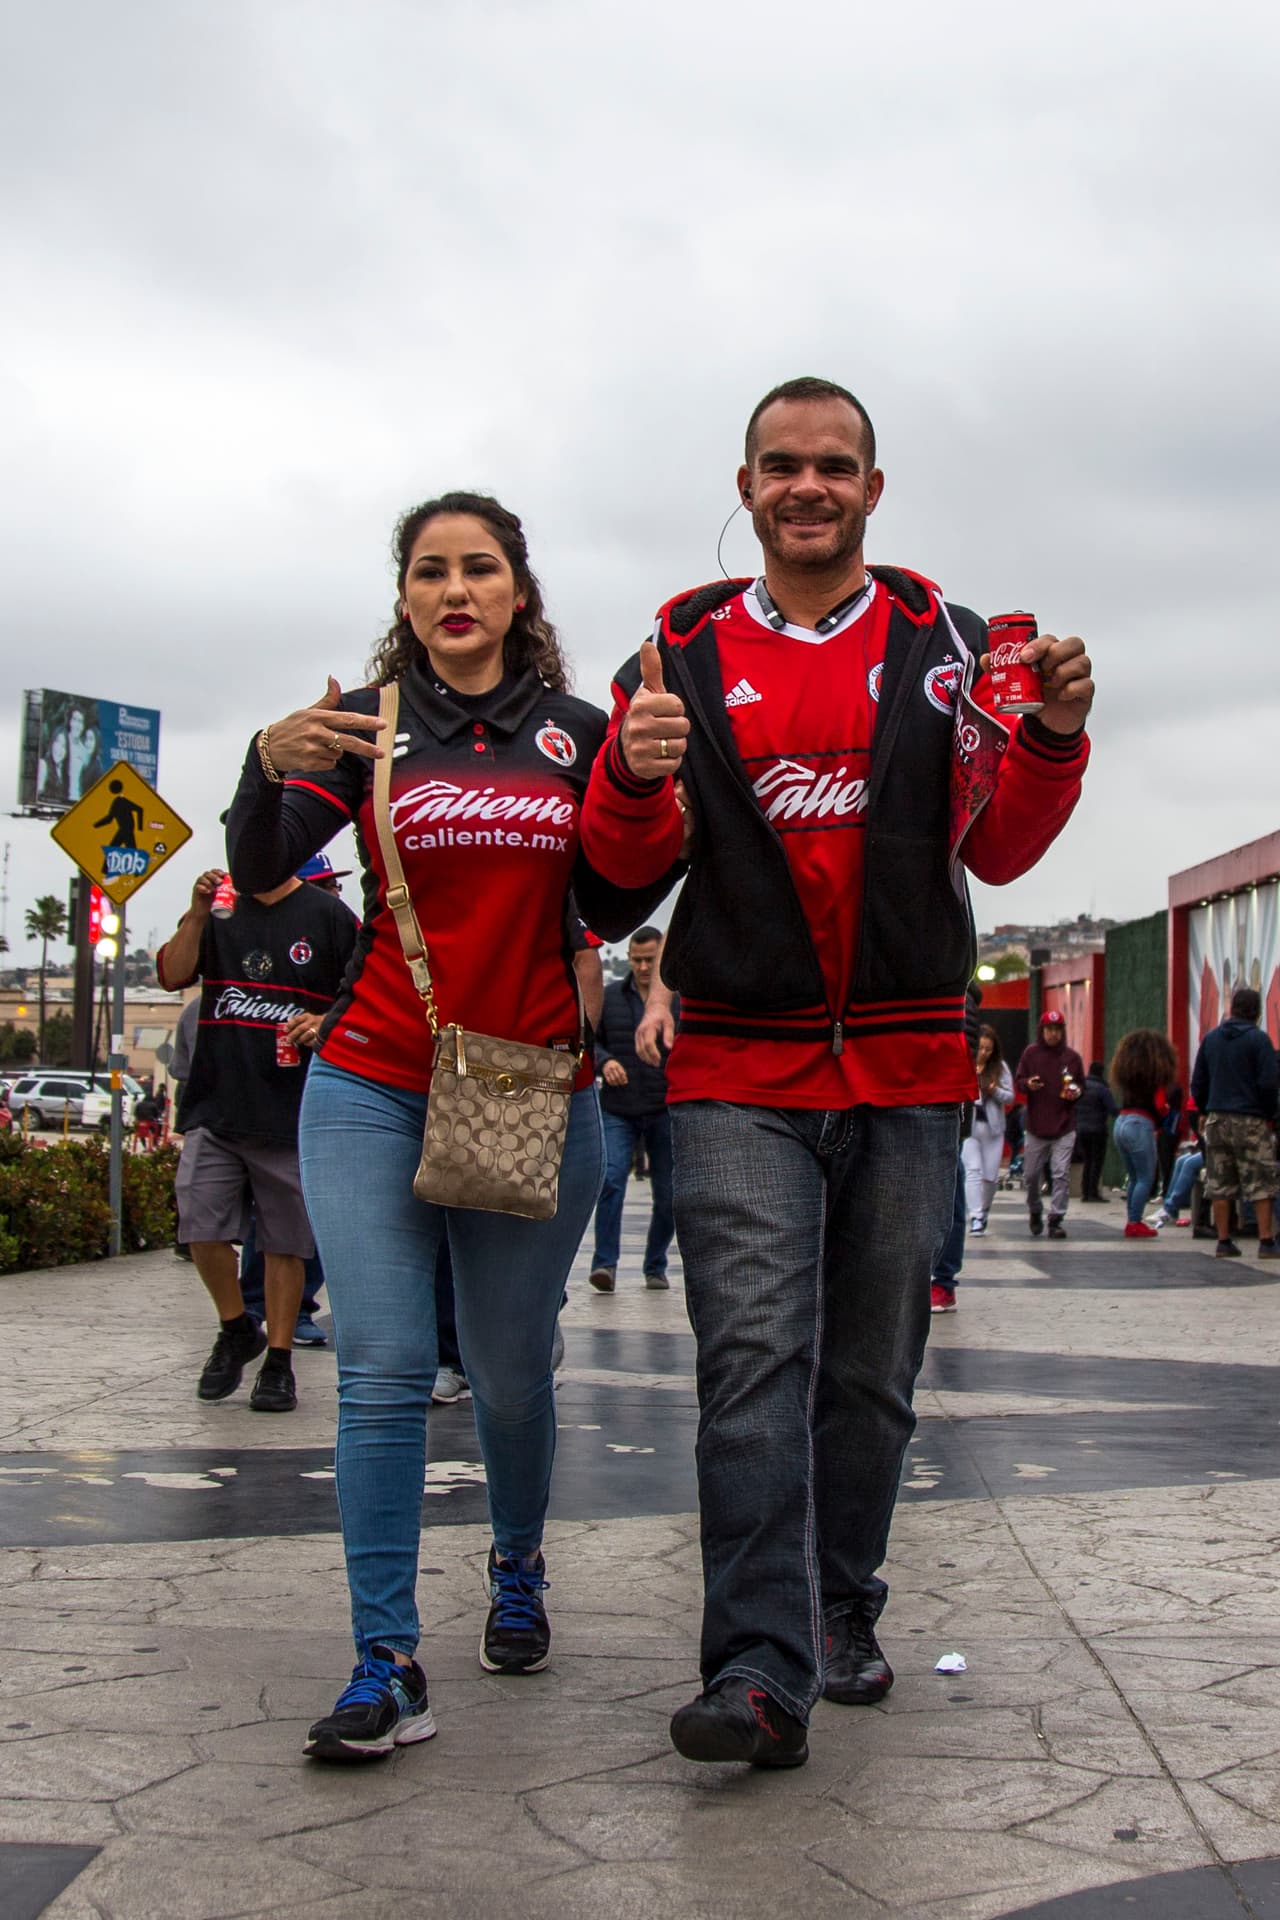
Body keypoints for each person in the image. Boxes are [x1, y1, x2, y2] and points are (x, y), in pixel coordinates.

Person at [582, 375, 1093, 1768]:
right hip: (737, 1071)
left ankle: (840, 1604)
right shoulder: (677, 647)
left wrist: (1051, 737)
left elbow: (998, 851)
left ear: (875, 488)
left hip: (910, 1070)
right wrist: (630, 776)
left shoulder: (950, 642)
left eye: (834, 465)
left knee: (869, 1375)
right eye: (780, 465)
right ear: (744, 487)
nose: (807, 486)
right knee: (751, 1361)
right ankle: (755, 1667)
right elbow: (623, 881)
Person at [225, 490, 669, 1765]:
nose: (454, 589)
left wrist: (640, 776)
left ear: (519, 594)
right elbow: (262, 865)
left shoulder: (577, 734)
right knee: (377, 1365)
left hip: (534, 1090)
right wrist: (263, 761)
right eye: (429, 571)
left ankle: (517, 1565)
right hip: (369, 1076)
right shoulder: (364, 733)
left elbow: (619, 884)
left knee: (510, 1368)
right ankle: (385, 1659)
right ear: (404, 597)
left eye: (480, 568)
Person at [157, 861, 357, 1410]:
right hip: (215, 1102)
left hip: (290, 1108)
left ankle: (279, 1360)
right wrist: (197, 916)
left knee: (284, 1244)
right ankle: (234, 1327)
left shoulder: (329, 915)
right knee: (199, 1223)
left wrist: (324, 1019)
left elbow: (362, 993)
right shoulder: (219, 909)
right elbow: (173, 973)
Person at [589, 926, 678, 1292]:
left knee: (670, 1193)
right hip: (619, 1108)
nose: (643, 967)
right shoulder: (609, 998)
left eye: (650, 960)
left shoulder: (678, 1003)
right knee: (610, 1180)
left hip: (663, 1107)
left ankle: (655, 1264)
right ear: (628, 959)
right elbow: (589, 1040)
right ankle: (604, 1265)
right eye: (637, 960)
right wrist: (604, 1061)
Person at [1190, 985, 1280, 1260]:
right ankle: (1266, 1242)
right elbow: (1268, 1082)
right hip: (1251, 1118)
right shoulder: (1259, 1041)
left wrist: (1206, 1109)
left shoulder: (1212, 1039)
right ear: (1257, 1012)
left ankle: (1224, 1240)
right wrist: (1268, 1114)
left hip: (1216, 1119)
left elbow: (1198, 1082)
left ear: (1231, 1009)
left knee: (1219, 1181)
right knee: (1261, 1181)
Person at [1014, 1011, 1085, 1238]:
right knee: (1031, 1175)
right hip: (1036, 1125)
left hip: (1064, 1124)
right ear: (1042, 1030)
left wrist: (1075, 1092)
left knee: (1060, 1172)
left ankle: (1056, 1218)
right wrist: (1028, 1084)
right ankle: (1035, 1208)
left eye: (1057, 1029)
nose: (1053, 1034)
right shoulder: (1031, 1054)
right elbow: (1019, 1081)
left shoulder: (1072, 1058)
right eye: (1049, 1029)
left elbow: (1082, 1087)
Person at [1109, 1030, 1179, 1239]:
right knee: (1145, 1177)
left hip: (1121, 1122)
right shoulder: (1154, 1080)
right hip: (1141, 1124)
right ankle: (1134, 1221)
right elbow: (1160, 1106)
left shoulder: (1128, 1077)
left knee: (1133, 1177)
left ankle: (1132, 1220)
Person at [962, 1024, 1015, 1235]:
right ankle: (975, 1216)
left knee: (990, 1177)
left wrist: (994, 1090)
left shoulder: (1000, 1068)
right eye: (981, 1047)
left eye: (988, 1049)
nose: (983, 1053)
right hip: (969, 1126)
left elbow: (1010, 1096)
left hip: (992, 1128)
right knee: (973, 1171)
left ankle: (983, 1210)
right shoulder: (966, 1063)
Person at [1075, 1060, 1118, 1202]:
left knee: (1087, 1160)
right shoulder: (1102, 1089)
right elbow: (1113, 1109)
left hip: (1081, 1129)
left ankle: (1085, 1192)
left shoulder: (1080, 1087)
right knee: (1096, 1161)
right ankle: (1093, 1192)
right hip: (1097, 1129)